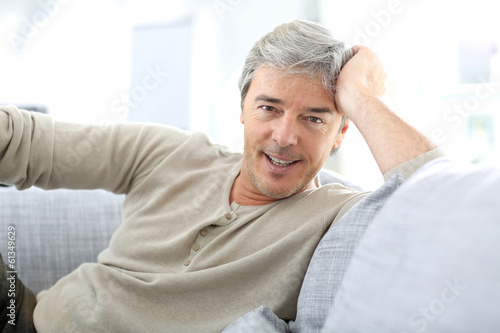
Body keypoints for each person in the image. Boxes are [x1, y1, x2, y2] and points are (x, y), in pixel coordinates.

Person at [0, 19, 442, 332]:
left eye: (314, 118)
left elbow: (441, 201)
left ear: (342, 132)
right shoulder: (173, 153)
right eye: (269, 108)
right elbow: (26, 141)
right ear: (243, 110)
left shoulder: (337, 215)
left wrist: (358, 93)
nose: (284, 136)